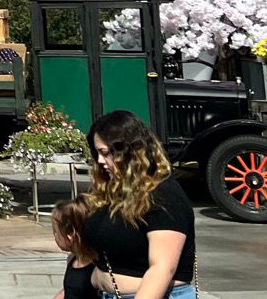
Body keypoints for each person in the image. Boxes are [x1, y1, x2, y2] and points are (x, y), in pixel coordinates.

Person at [81, 110, 195, 299]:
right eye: (97, 153)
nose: (100, 161)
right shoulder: (117, 192)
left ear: (129, 152)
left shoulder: (164, 196)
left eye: (105, 153)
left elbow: (162, 268)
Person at [51, 196, 142, 299]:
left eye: (55, 232)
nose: (54, 235)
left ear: (70, 236)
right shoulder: (72, 259)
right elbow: (70, 290)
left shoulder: (96, 267)